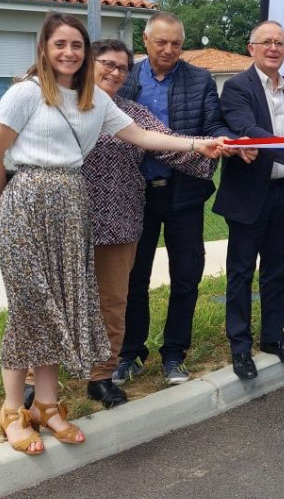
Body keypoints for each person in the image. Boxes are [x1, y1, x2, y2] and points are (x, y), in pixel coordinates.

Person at [0, 13, 226, 455]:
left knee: (61, 304)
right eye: (61, 45)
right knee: (31, 308)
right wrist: (9, 210)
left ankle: (49, 406)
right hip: (27, 205)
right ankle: (14, 410)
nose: (69, 53)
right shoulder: (25, 93)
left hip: (73, 209)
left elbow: (145, 136)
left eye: (76, 45)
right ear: (45, 48)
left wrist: (196, 144)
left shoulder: (95, 101)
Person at [81, 39, 217, 408]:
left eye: (121, 68)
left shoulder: (130, 113)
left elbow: (166, 143)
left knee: (113, 300)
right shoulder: (63, 105)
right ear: (87, 64)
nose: (114, 72)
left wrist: (208, 149)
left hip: (121, 217)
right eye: (106, 64)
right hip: (71, 217)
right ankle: (37, 380)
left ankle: (102, 375)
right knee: (63, 298)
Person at [115, 12, 232, 385]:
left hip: (184, 192)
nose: (168, 50)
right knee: (134, 277)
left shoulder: (200, 80)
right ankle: (130, 352)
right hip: (134, 193)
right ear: (145, 41)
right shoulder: (123, 78)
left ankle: (174, 353)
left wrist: (224, 139)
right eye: (161, 42)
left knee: (186, 276)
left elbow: (213, 125)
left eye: (176, 44)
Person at [213, 21, 284, 380]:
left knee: (277, 272)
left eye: (280, 43)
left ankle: (274, 337)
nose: (273, 48)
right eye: (266, 42)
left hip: (283, 193)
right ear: (251, 48)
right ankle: (240, 346)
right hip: (248, 196)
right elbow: (249, 130)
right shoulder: (236, 88)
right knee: (241, 273)